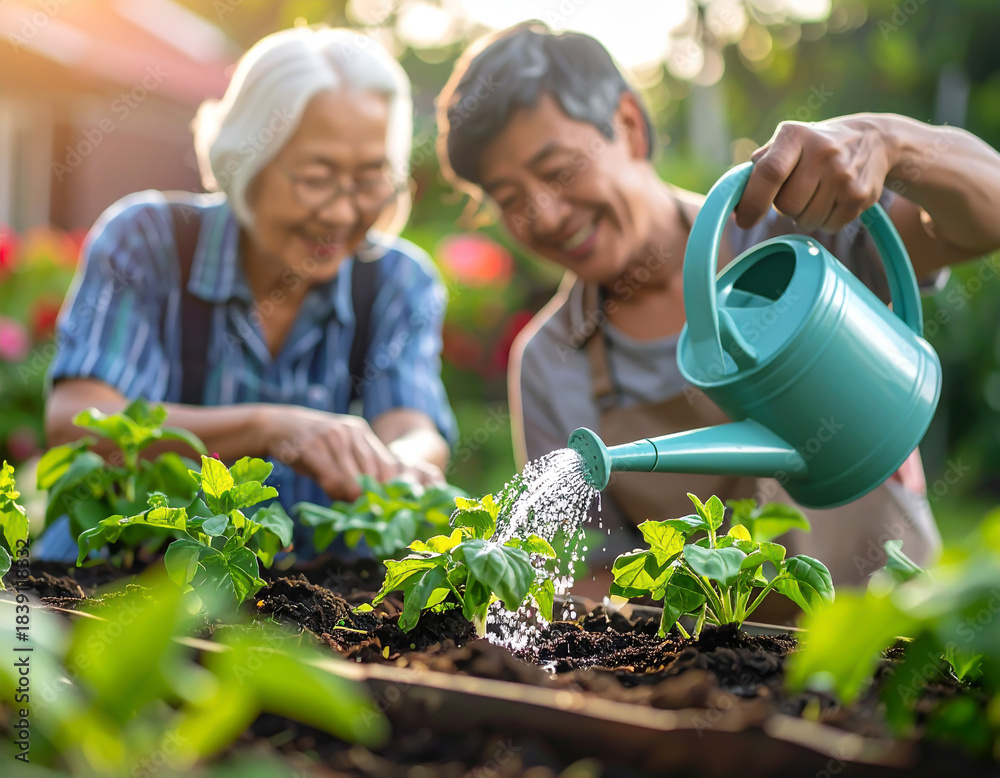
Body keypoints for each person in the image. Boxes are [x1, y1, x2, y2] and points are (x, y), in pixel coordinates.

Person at [436, 23, 1000, 588]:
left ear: (628, 127)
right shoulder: (550, 360)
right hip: (712, 671)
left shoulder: (797, 243)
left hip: (894, 647)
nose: (546, 215)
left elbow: (988, 214)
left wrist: (891, 142)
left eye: (559, 170)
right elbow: (587, 576)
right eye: (511, 201)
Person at [36, 27, 456, 561]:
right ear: (246, 158)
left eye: (370, 178)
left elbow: (411, 423)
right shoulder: (148, 242)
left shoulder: (398, 280)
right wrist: (268, 426)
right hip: (117, 582)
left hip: (297, 610)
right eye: (316, 176)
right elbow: (78, 420)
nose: (341, 212)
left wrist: (403, 462)